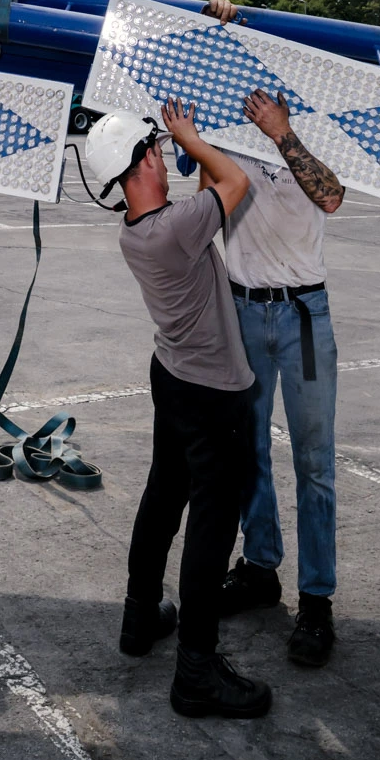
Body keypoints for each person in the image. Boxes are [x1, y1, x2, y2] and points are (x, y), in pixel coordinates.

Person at [85, 91, 272, 720]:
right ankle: (196, 671)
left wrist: (190, 151)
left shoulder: (142, 229)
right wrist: (193, 138)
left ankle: (140, 618)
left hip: (172, 375)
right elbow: (235, 181)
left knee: (164, 497)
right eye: (159, 152)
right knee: (212, 524)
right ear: (141, 162)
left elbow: (205, 196)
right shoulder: (175, 229)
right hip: (211, 391)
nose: (166, 158)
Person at [216, 68, 346, 669]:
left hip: (303, 318)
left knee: (314, 462)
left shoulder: (322, 131)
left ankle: (316, 601)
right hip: (243, 311)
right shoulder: (226, 132)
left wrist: (282, 134)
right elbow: (205, 198)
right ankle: (260, 567)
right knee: (247, 450)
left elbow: (332, 196)